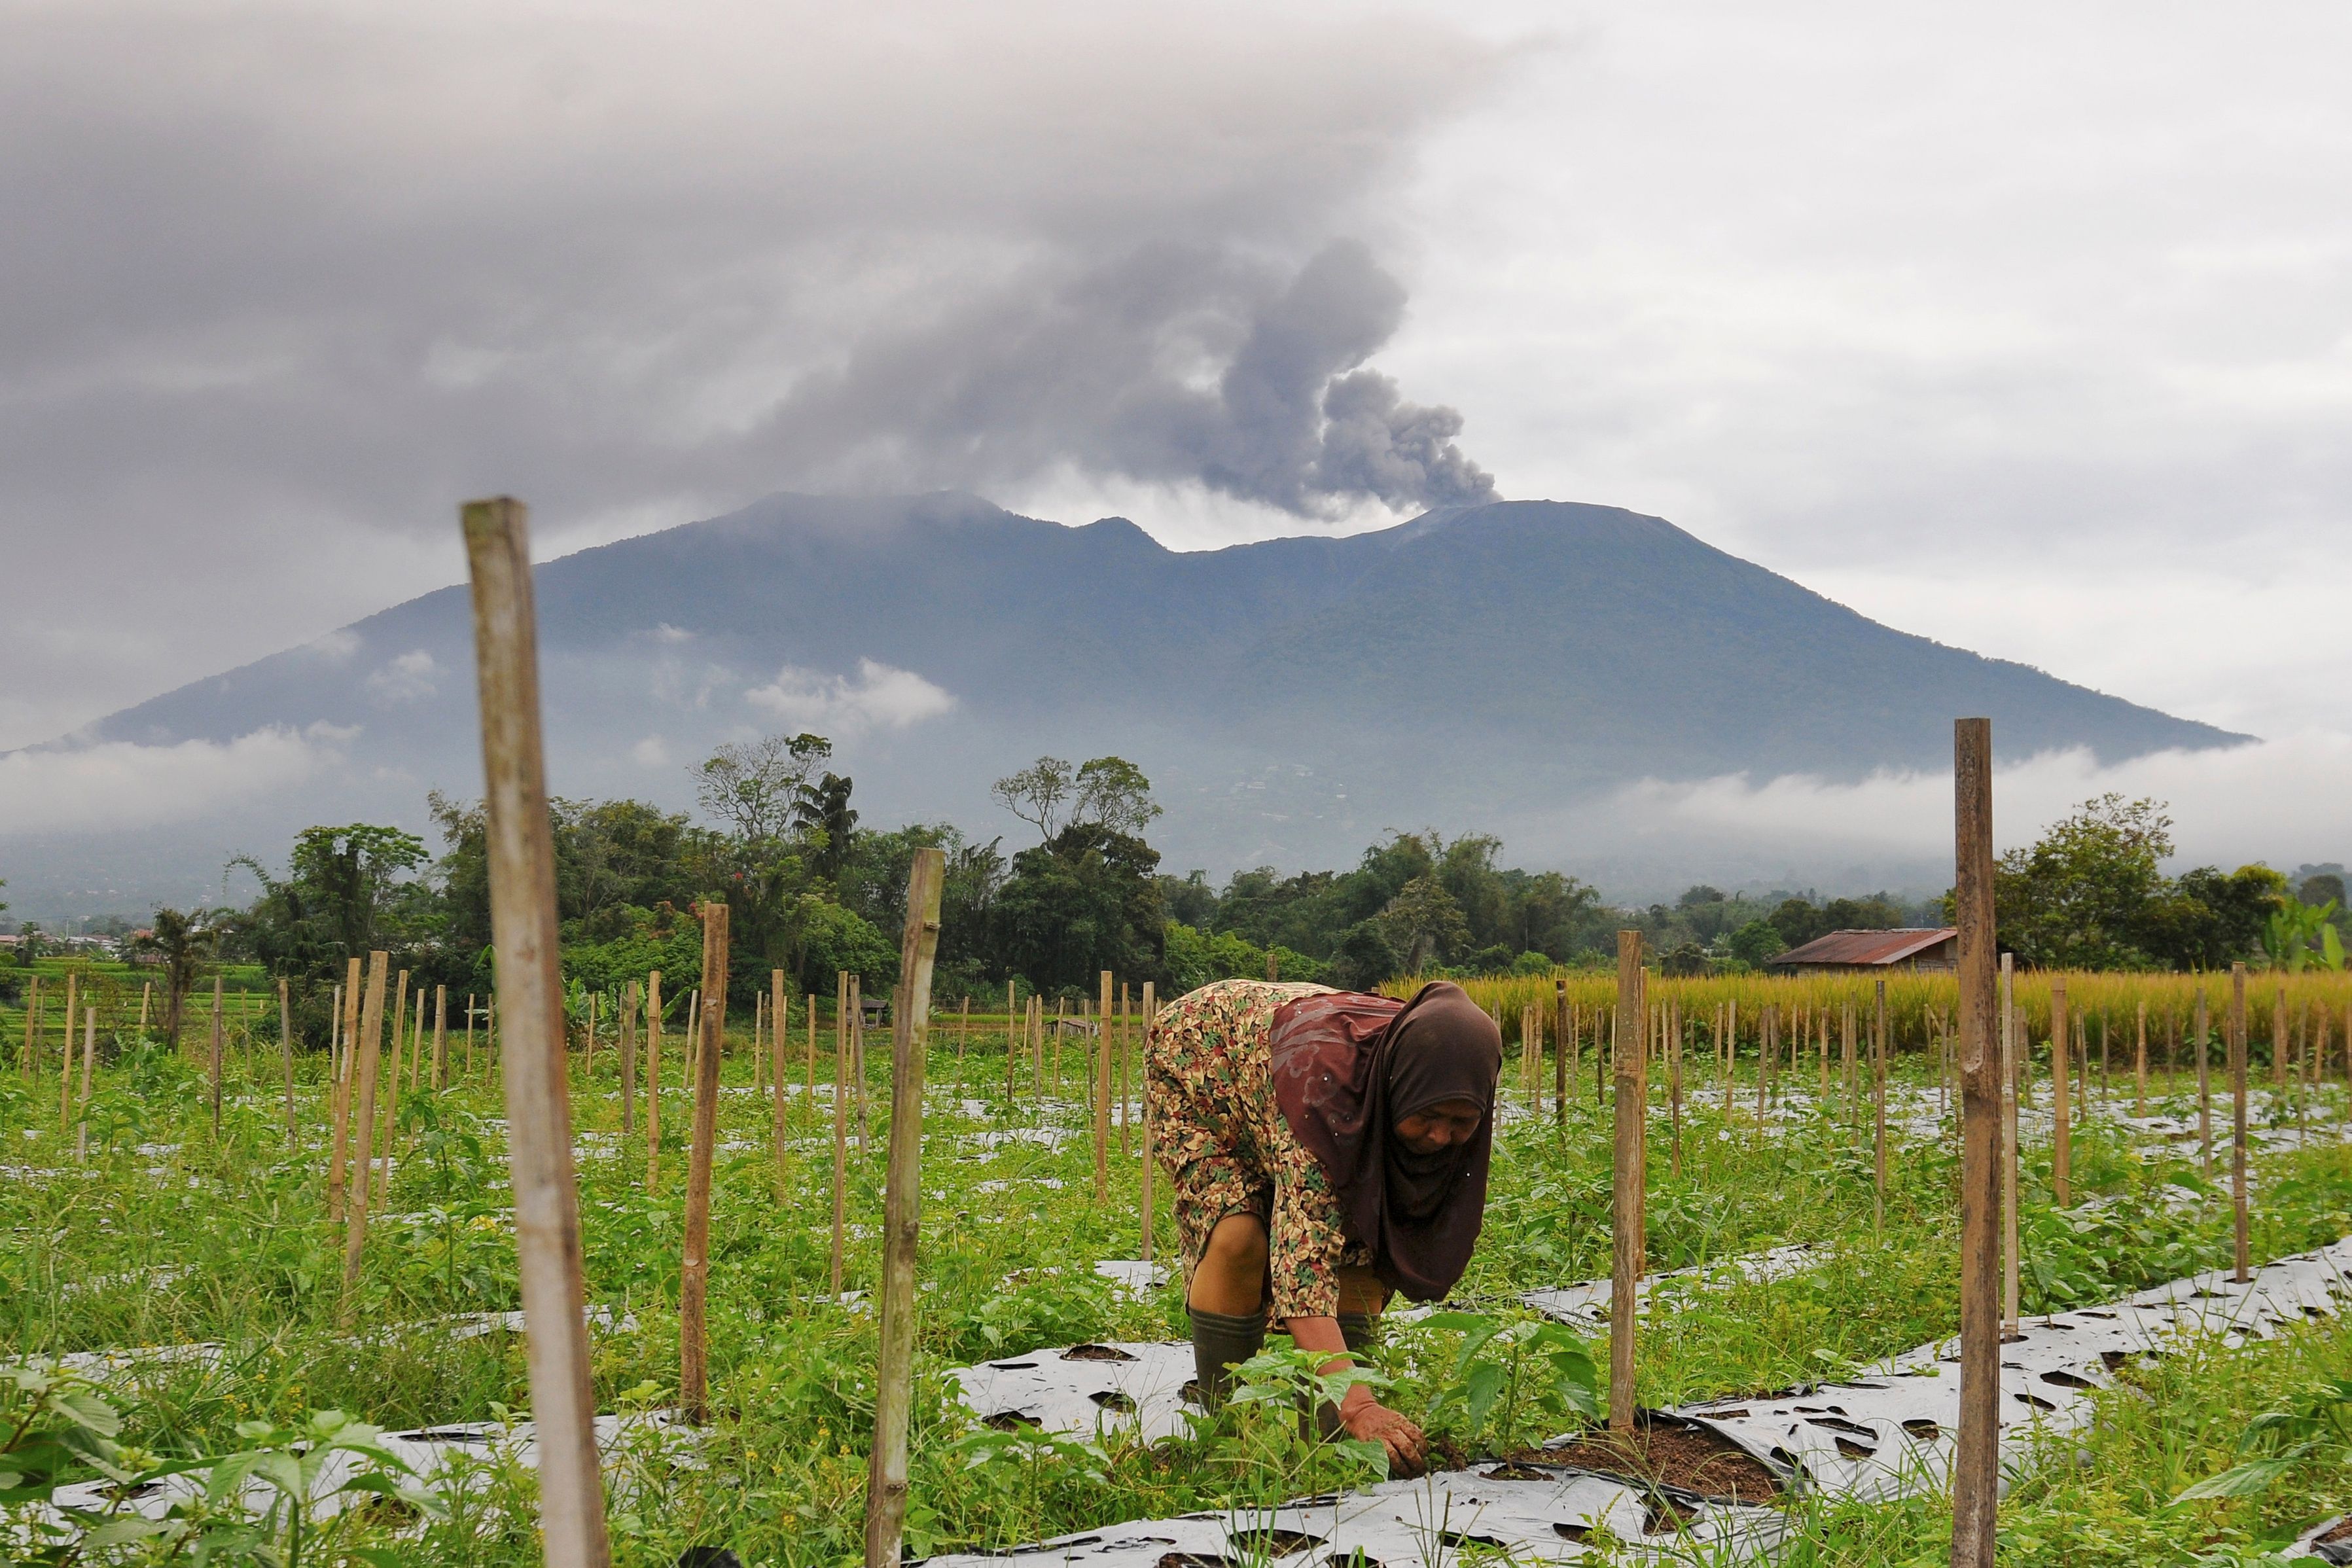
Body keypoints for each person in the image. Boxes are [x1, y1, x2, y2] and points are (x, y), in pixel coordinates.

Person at [1145, 976, 1502, 1475]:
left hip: (1282, 1067)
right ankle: (1227, 1438)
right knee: (1238, 1234)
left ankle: (1331, 1445)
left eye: (1462, 1121)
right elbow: (1302, 1270)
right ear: (1398, 1089)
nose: (1442, 1136)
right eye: (1428, 1117)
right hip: (1206, 1064)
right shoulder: (1325, 1098)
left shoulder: (1432, 1069)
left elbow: (1368, 1232)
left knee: (1362, 1245)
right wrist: (1359, 1403)